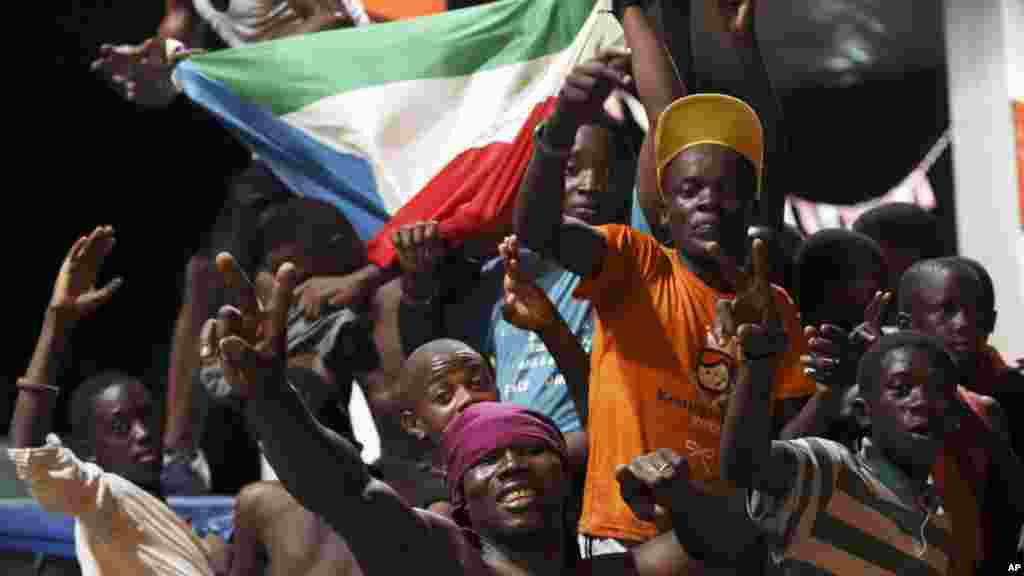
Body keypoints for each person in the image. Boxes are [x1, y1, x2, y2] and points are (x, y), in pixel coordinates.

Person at [514, 4, 816, 562]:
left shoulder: (772, 304)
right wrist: (558, 129)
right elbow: (537, 231)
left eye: (723, 188)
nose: (706, 200)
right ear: (663, 208)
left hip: (724, 543)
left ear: (750, 201)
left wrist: (834, 392)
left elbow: (784, 432)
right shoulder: (635, 262)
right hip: (621, 536)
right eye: (688, 189)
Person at [201, 256, 715, 573]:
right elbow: (346, 491)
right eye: (487, 459)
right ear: (456, 486)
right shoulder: (441, 558)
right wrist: (271, 395)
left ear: (571, 469)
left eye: (533, 450)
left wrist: (686, 501)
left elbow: (726, 547)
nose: (512, 464)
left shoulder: (621, 569)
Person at [6, 226, 224, 576]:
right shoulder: (103, 495)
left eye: (146, 417)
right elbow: (32, 454)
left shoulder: (189, 529)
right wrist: (57, 323)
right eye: (120, 427)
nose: (142, 434)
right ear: (90, 452)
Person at [722, 330, 961, 574]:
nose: (921, 401)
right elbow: (744, 464)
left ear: (953, 419)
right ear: (863, 413)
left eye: (937, 392)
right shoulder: (828, 469)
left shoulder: (941, 528)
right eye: (901, 388)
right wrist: (759, 360)